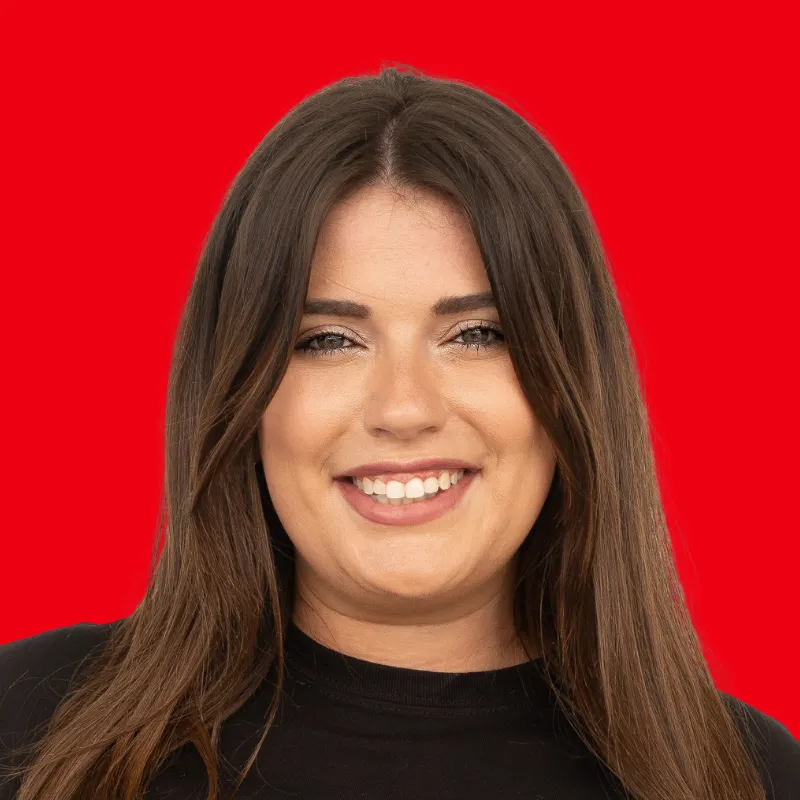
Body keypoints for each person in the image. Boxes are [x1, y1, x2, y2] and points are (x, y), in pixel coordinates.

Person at [0, 65, 797, 800]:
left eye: (477, 334)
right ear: (242, 394)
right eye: (328, 340)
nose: (405, 408)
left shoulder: (747, 776)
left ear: (572, 388)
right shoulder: (33, 729)